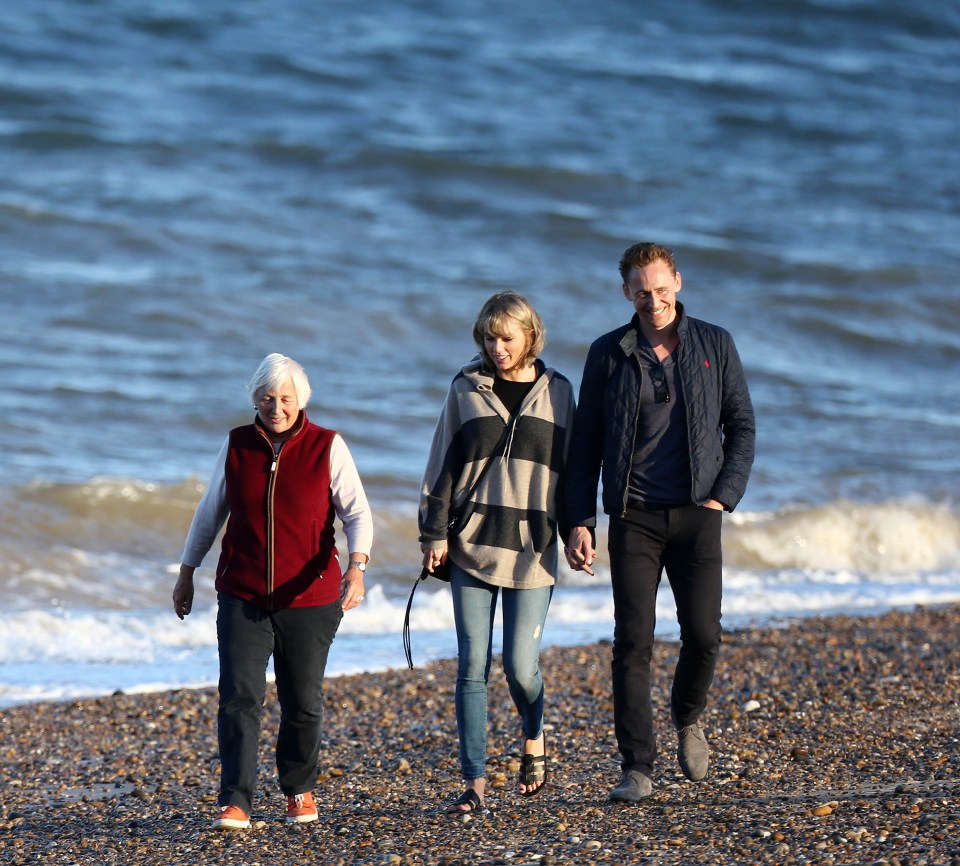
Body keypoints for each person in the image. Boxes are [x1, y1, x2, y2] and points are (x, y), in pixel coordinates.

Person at [564, 242, 755, 803]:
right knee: (633, 642)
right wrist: (579, 520)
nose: (653, 300)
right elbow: (586, 447)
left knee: (704, 635)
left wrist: (724, 496)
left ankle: (688, 717)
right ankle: (637, 767)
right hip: (635, 517)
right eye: (641, 291)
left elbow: (741, 425)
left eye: (662, 288)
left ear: (679, 282)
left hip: (699, 513)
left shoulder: (714, 344)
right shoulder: (608, 354)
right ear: (626, 291)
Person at [172, 353, 373, 830]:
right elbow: (209, 512)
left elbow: (358, 514)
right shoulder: (238, 445)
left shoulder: (327, 446)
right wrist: (187, 571)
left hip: (311, 598)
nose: (275, 406)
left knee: (302, 699)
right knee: (239, 697)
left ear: (300, 400)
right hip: (242, 595)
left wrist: (357, 567)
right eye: (267, 397)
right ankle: (236, 800)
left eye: (285, 398)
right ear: (255, 399)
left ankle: (299, 790)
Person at [419, 291, 576, 813]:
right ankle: (475, 782)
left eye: (507, 337)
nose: (497, 347)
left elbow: (572, 475)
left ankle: (534, 737)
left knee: (520, 668)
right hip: (471, 546)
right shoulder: (465, 389)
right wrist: (433, 534)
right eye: (489, 337)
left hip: (533, 550)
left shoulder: (560, 393)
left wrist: (581, 528)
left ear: (530, 335)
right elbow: (442, 462)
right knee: (471, 667)